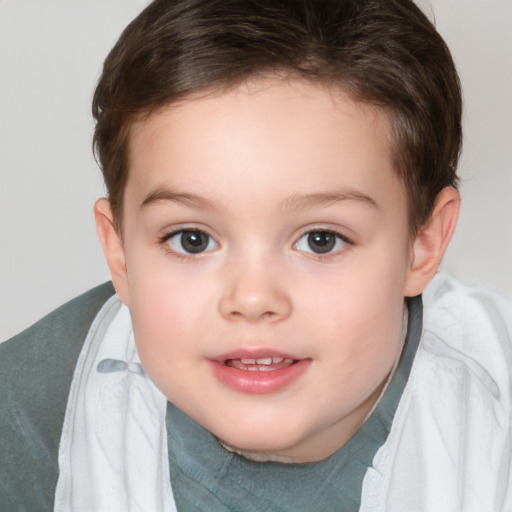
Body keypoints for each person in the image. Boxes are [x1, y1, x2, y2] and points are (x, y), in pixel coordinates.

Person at [1, 0, 511, 510]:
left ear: (423, 242)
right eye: (192, 239)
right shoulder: (26, 416)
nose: (252, 298)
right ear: (119, 252)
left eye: (320, 240)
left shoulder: (491, 414)